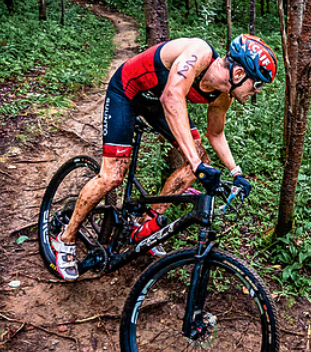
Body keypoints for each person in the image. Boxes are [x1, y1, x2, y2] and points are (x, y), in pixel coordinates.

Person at [50, 33, 278, 280]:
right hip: (127, 93)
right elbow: (172, 96)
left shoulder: (223, 95)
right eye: (256, 85)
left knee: (196, 164)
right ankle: (65, 238)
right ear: (238, 74)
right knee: (112, 176)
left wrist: (236, 173)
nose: (257, 92)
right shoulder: (199, 53)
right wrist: (197, 163)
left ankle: (145, 223)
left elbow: (216, 133)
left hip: (158, 104)